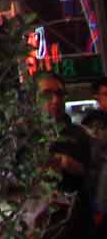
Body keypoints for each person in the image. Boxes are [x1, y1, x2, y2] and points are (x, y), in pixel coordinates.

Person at [43, 77, 89, 239]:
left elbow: (90, 173)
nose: (56, 100)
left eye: (60, 94)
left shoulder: (80, 135)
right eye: (47, 94)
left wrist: (63, 161)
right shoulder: (20, 136)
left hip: (73, 225)